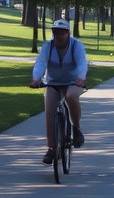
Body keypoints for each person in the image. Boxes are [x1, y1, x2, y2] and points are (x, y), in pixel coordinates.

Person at [29, 19, 87, 165]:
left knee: (71, 96)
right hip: (53, 83)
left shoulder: (76, 46)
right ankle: (52, 148)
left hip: (73, 82)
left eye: (62, 32)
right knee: (49, 111)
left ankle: (77, 128)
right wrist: (36, 79)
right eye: (56, 32)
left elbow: (82, 63)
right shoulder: (48, 47)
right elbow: (41, 63)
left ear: (68, 33)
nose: (59, 36)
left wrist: (81, 78)